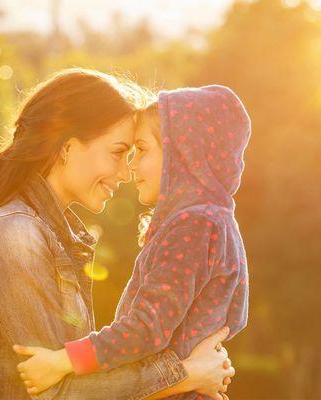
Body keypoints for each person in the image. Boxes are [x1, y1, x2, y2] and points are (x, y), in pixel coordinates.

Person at [0, 68, 235, 400]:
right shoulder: (15, 235)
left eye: (134, 154)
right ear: (67, 147)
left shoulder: (54, 235)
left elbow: (73, 375)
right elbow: (59, 393)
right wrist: (188, 374)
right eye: (118, 152)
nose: (125, 172)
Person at [14, 85, 251, 400]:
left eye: (142, 149)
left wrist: (63, 360)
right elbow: (237, 314)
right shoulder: (216, 222)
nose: (132, 165)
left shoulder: (193, 226)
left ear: (184, 157)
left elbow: (145, 329)